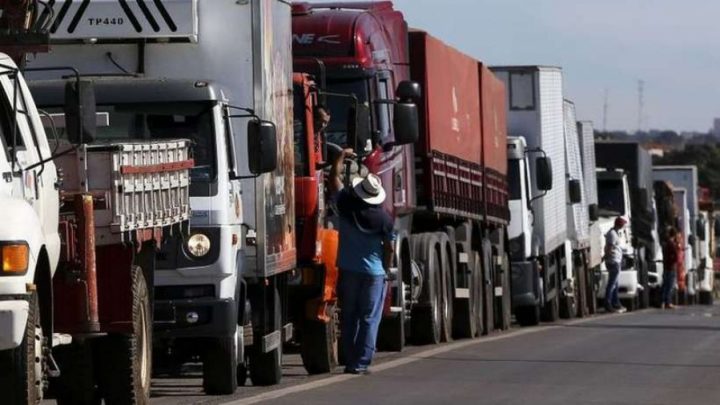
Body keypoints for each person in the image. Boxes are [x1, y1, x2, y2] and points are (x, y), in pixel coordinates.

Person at [329, 149, 395, 375]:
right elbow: (390, 247)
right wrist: (386, 270)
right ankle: (361, 362)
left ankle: (349, 359)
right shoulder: (384, 219)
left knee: (349, 316)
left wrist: (340, 157)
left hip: (348, 270)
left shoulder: (346, 206)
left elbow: (334, 180)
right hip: (374, 274)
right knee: (369, 318)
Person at [604, 216, 628, 313]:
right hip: (613, 261)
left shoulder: (615, 233)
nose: (623, 226)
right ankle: (608, 303)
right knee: (612, 284)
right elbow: (609, 247)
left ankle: (616, 302)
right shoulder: (613, 234)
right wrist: (606, 257)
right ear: (619, 225)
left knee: (615, 284)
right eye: (622, 224)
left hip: (616, 261)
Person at [661, 227, 681, 309]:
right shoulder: (672, 244)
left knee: (665, 285)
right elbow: (676, 257)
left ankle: (663, 302)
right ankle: (668, 302)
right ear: (675, 235)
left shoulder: (666, 243)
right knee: (670, 285)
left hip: (666, 266)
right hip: (671, 267)